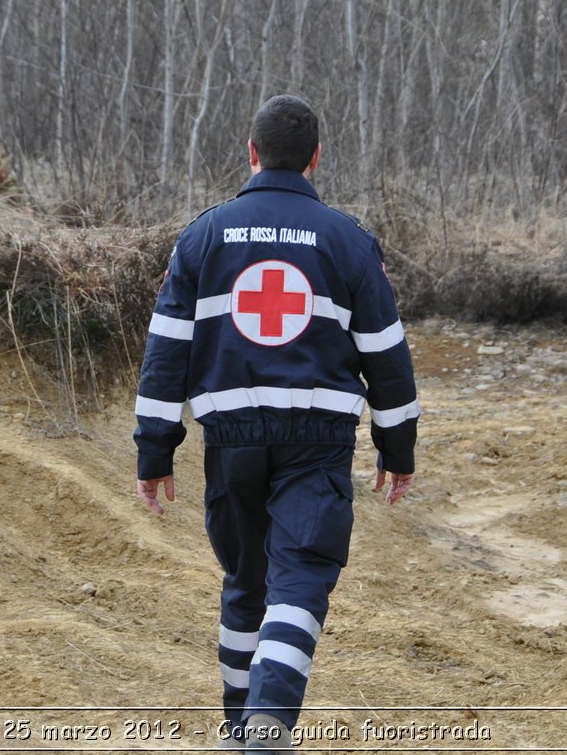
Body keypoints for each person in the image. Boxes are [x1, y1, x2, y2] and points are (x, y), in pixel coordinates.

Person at [132, 95, 418, 752]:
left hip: (231, 437)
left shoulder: (203, 235)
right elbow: (388, 357)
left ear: (251, 152)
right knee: (300, 573)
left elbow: (165, 354)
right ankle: (268, 723)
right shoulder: (348, 239)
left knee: (246, 581)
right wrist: (396, 445)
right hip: (316, 440)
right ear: (317, 158)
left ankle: (240, 727)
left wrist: (155, 451)